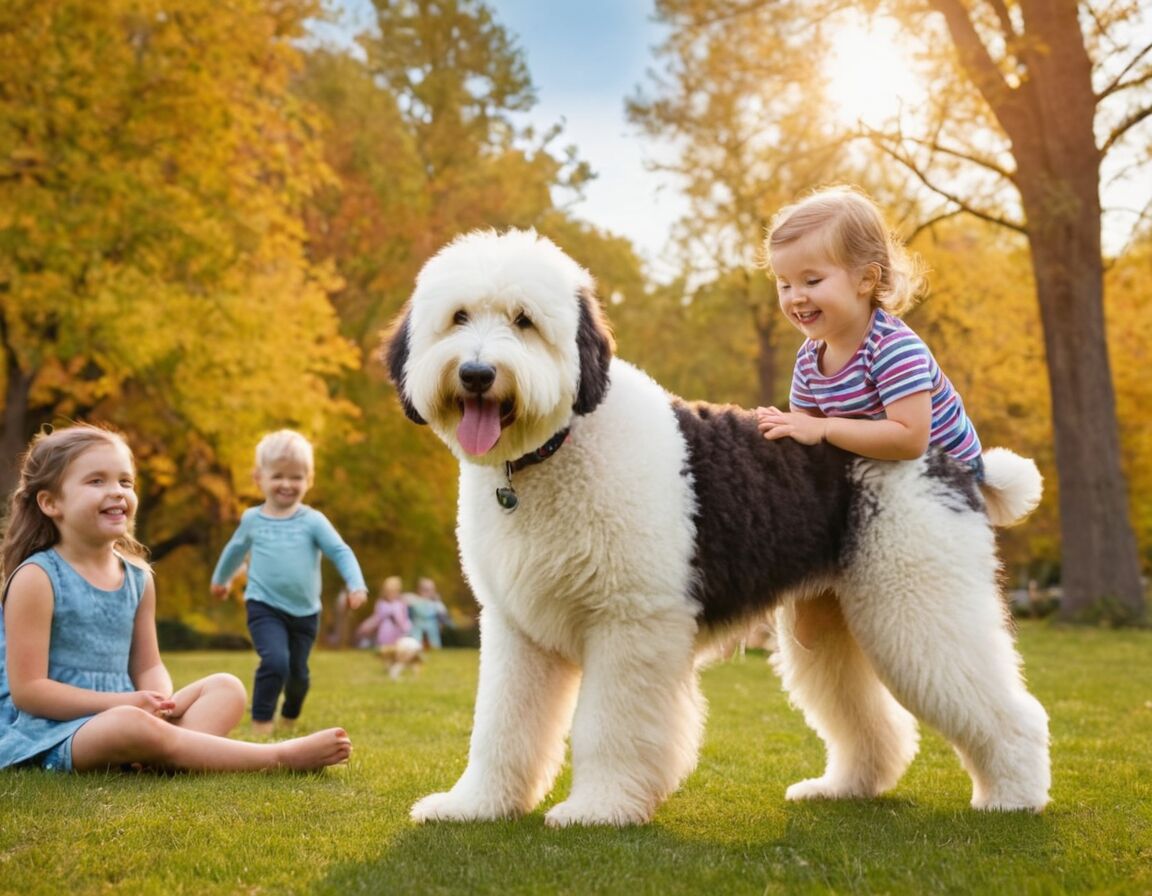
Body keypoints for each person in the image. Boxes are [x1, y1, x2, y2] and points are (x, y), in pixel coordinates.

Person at [0, 423, 352, 773]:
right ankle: (277, 758)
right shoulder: (39, 577)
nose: (118, 492)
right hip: (57, 731)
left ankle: (155, 757)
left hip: (131, 713)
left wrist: (160, 701)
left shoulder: (137, 577)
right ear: (50, 503)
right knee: (129, 724)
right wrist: (125, 704)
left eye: (125, 481)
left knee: (226, 689)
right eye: (96, 481)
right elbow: (29, 691)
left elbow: (148, 665)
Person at [755, 185, 983, 480]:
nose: (795, 297)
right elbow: (805, 427)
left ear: (865, 279)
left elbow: (910, 439)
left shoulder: (892, 348)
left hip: (949, 476)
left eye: (811, 281)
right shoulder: (809, 359)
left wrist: (825, 428)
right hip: (888, 476)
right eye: (785, 285)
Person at [211, 430, 367, 736]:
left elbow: (339, 551)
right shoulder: (252, 520)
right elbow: (234, 551)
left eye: (296, 477)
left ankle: (290, 716)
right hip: (263, 604)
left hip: (306, 612)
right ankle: (261, 726)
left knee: (299, 676)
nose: (286, 484)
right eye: (278, 476)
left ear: (309, 480)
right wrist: (222, 580)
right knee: (275, 662)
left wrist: (356, 584)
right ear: (259, 479)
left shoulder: (313, 521)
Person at [355, 575, 411, 649]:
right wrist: (366, 627)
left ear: (398, 591)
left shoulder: (401, 603)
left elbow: (404, 619)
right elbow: (377, 618)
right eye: (389, 592)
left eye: (394, 591)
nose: (391, 594)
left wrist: (405, 627)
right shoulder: (381, 603)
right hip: (384, 633)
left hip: (398, 632)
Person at [407, 577, 448, 649]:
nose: (427, 592)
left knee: (433, 642)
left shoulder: (436, 603)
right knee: (416, 640)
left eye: (429, 590)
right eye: (424, 589)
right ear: (419, 589)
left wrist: (441, 624)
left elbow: (443, 614)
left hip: (432, 626)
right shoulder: (414, 600)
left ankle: (434, 648)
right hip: (417, 626)